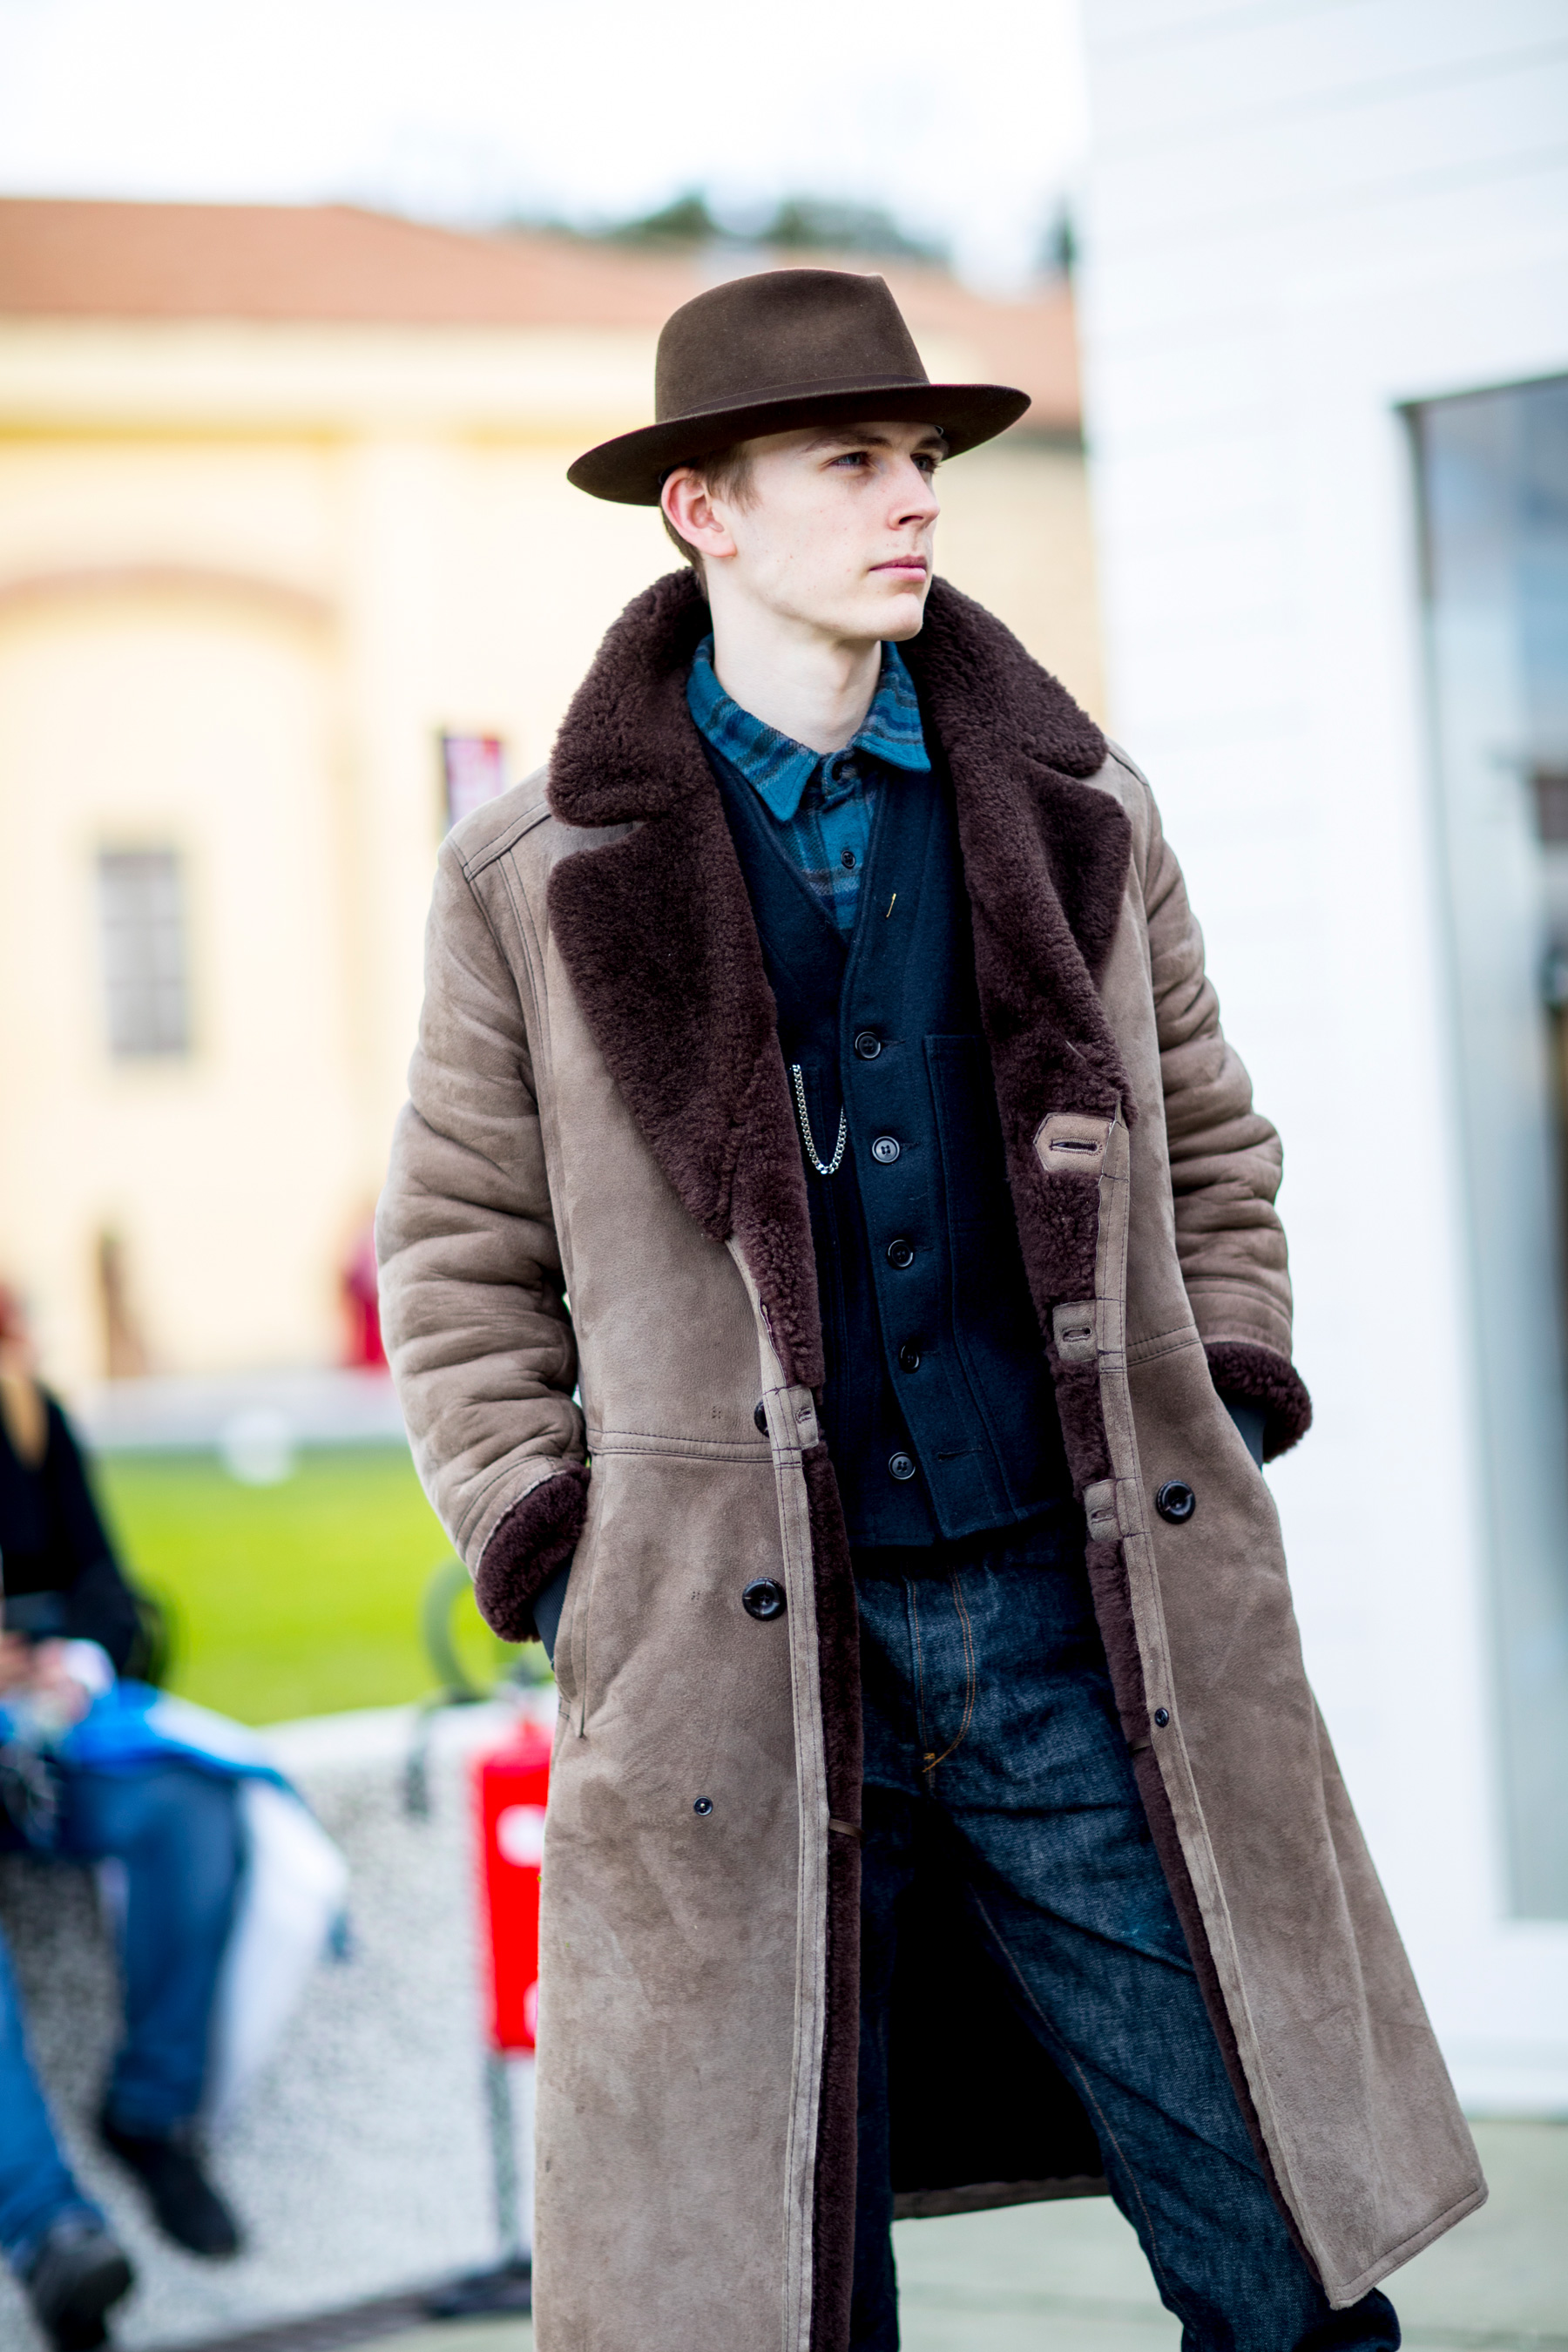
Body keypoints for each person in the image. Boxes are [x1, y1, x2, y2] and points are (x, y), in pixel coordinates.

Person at [376, 268, 1485, 2352]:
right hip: (724, 1664)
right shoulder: (527, 875)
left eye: (923, 458)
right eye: (851, 461)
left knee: (1289, 2273)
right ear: (702, 509)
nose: (915, 498)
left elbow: (1216, 1144)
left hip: (1078, 1621)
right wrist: (557, 1538)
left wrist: (1224, 1393)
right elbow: (453, 1250)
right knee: (767, 2299)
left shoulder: (1079, 812)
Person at [0, 1288, 242, 2350]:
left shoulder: (27, 1415)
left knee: (193, 1807)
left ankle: (150, 2109)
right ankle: (50, 2231)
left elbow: (104, 1582)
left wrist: (71, 1665)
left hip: (43, 1739)